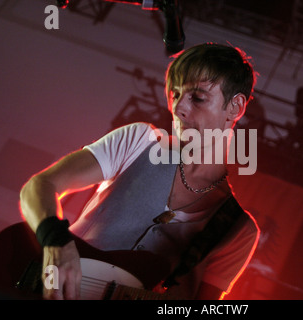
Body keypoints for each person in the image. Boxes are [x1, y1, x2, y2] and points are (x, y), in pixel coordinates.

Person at [19, 43, 260, 300]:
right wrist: (55, 242)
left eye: (197, 97)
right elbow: (40, 186)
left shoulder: (238, 230)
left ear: (235, 107)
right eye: (175, 94)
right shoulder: (139, 141)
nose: (179, 108)